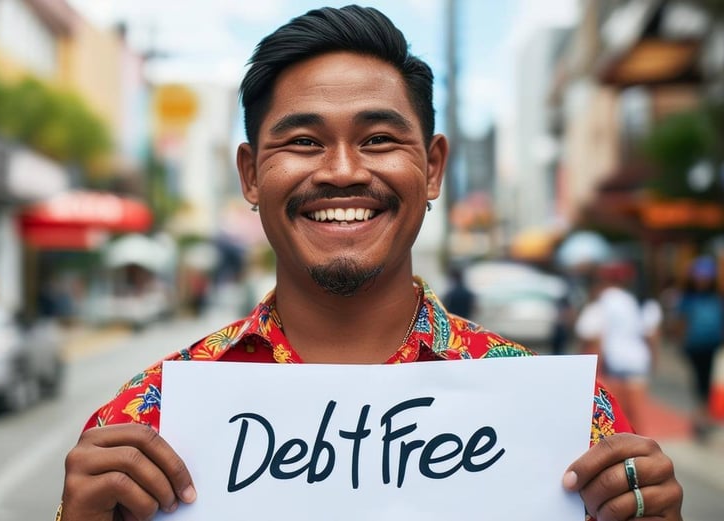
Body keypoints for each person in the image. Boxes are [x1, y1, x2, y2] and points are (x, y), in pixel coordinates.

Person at [59, 6, 683, 521]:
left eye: (379, 139)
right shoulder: (145, 420)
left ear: (433, 167)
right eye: (303, 141)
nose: (341, 171)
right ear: (250, 175)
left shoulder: (571, 427)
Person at [574, 261, 655, 433]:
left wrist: (591, 371)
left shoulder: (603, 302)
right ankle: (640, 456)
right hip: (637, 362)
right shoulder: (634, 301)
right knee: (636, 419)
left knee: (616, 421)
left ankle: (627, 458)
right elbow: (650, 332)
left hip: (613, 365)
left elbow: (592, 336)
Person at [674, 255, 723, 439]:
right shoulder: (689, 298)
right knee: (700, 382)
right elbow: (681, 321)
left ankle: (703, 416)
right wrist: (680, 341)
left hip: (711, 345)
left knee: (706, 382)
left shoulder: (715, 297)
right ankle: (701, 416)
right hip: (694, 346)